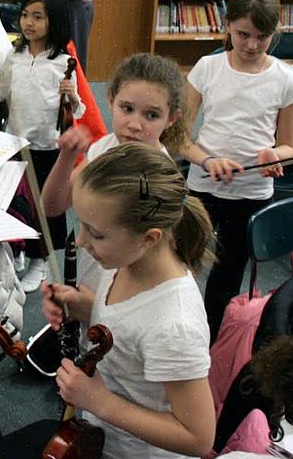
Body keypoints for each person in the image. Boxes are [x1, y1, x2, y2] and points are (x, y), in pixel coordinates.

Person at [43, 142, 216, 458]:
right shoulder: (126, 261)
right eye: (80, 225)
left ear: (150, 238)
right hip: (101, 433)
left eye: (95, 233)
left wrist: (101, 403)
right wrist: (84, 308)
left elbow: (198, 437)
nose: (80, 241)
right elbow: (125, 330)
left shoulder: (175, 326)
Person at [181, 0, 293, 343]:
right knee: (180, 265)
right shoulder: (207, 68)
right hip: (204, 187)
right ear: (227, 24)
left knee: (227, 277)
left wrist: (275, 155)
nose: (252, 45)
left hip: (252, 192)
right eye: (243, 34)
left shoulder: (285, 78)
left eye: (262, 36)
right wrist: (207, 159)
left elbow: (290, 144)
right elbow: (179, 138)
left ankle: (210, 345)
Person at [41, 52, 185, 294]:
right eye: (127, 108)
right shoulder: (104, 147)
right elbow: (52, 206)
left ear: (171, 119)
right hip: (93, 264)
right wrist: (66, 157)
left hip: (125, 285)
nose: (135, 124)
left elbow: (154, 261)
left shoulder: (160, 178)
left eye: (152, 115)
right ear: (110, 100)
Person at [0, 0, 82, 291]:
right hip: (15, 141)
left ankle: (41, 261)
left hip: (46, 145)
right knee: (17, 199)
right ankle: (21, 250)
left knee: (44, 206)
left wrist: (73, 95)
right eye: (25, 15)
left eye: (38, 17)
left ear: (55, 22)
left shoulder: (63, 62)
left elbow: (76, 109)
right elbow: (2, 91)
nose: (29, 22)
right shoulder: (14, 55)